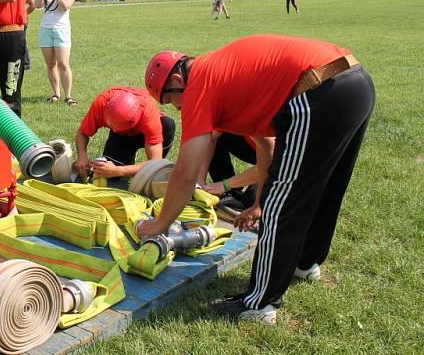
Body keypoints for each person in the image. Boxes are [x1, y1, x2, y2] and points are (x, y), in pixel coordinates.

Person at [139, 34, 375, 324]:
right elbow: (266, 147)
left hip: (319, 92)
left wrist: (160, 224)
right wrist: (258, 203)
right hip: (356, 82)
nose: (176, 108)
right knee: (324, 189)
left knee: (284, 202)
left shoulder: (200, 83)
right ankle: (305, 263)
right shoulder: (224, 75)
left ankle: (258, 304)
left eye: (171, 99)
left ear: (177, 77)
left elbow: (185, 173)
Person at [73, 87, 175, 180]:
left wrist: (117, 171)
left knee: (167, 125)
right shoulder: (102, 103)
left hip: (147, 132)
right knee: (112, 177)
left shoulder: (149, 115)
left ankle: (155, 173)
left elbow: (155, 161)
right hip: (121, 137)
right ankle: (128, 160)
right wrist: (82, 156)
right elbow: (83, 132)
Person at [35, 0, 76, 106]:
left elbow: (65, 7)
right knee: (50, 64)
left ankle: (68, 96)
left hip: (61, 29)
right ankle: (56, 93)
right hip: (45, 29)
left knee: (63, 64)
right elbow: (37, 5)